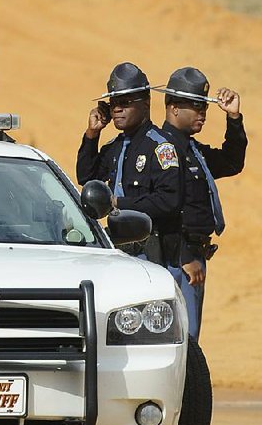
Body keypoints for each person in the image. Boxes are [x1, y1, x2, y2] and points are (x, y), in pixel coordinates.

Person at [158, 67, 246, 340]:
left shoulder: (192, 149)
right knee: (178, 340)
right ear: (173, 108)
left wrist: (233, 117)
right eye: (196, 107)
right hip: (174, 258)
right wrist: (184, 255)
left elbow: (231, 162)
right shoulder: (162, 150)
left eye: (204, 107)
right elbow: (165, 207)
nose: (203, 114)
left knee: (188, 338)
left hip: (193, 256)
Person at [76, 62, 182, 266]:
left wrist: (117, 203)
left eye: (124, 102)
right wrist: (92, 134)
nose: (117, 109)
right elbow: (86, 177)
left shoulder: (160, 147)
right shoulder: (115, 146)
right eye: (113, 103)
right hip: (118, 248)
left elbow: (169, 200)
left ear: (146, 103)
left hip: (151, 250)